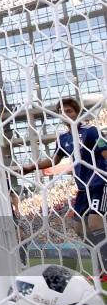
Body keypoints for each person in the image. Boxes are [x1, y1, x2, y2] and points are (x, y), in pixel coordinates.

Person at [22, 98, 107, 282]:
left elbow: (104, 152)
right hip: (82, 188)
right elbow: (53, 161)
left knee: (94, 224)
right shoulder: (64, 138)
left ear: (77, 113)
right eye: (62, 112)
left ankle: (104, 268)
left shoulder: (91, 132)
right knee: (79, 228)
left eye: (69, 111)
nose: (66, 114)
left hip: (99, 184)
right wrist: (30, 167)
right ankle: (100, 265)